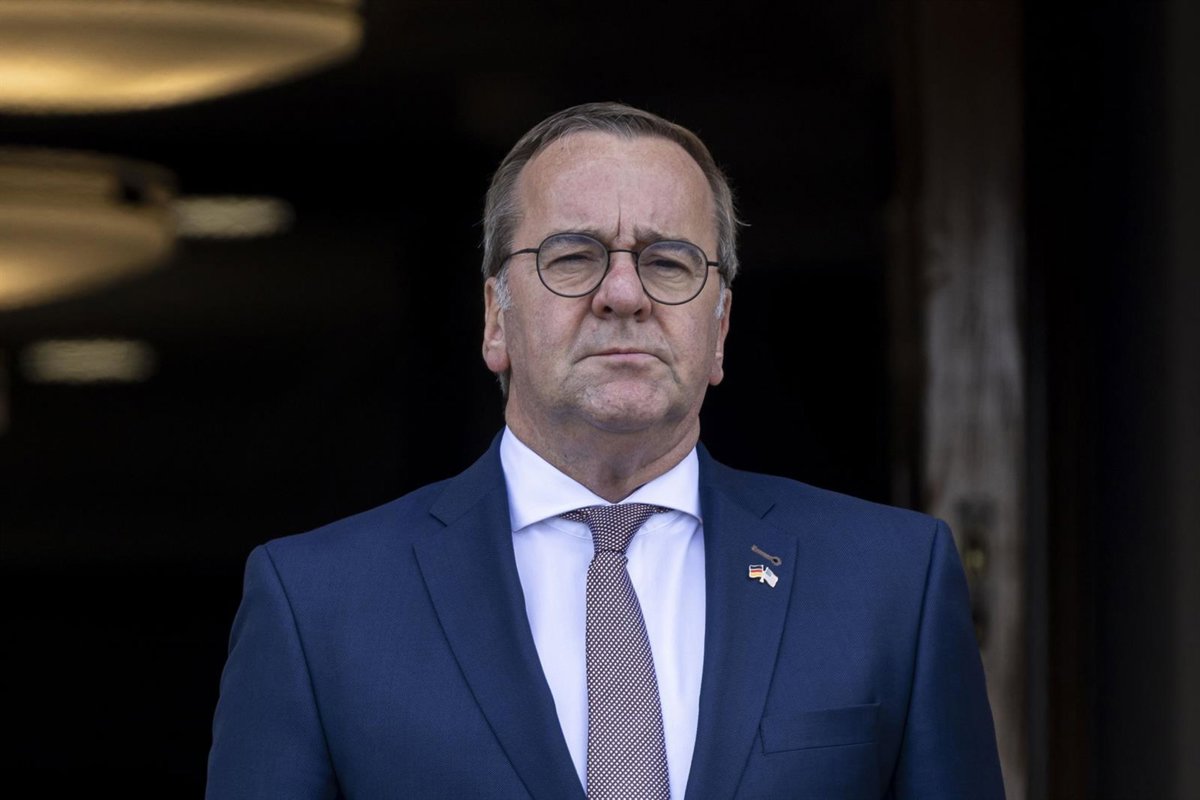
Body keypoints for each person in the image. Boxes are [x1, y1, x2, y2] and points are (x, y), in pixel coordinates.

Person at [206, 102, 1005, 799]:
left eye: (668, 262)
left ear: (720, 329)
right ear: (495, 318)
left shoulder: (890, 583)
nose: (623, 294)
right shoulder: (318, 606)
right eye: (573, 256)